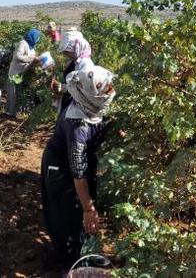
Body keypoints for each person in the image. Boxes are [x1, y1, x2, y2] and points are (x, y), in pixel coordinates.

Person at [41, 65, 116, 274]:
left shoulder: (89, 102)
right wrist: (87, 209)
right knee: (69, 216)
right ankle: (71, 265)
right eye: (105, 90)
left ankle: (87, 254)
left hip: (79, 165)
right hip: (61, 168)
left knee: (83, 211)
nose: (109, 93)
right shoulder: (78, 127)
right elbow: (79, 173)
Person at [51, 27, 95, 112]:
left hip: (78, 111)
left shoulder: (86, 65)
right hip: (70, 106)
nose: (65, 54)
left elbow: (83, 89)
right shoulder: (74, 62)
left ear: (76, 49)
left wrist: (63, 87)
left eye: (67, 52)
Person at [5, 28, 42, 116]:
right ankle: (10, 113)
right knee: (12, 93)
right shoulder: (23, 43)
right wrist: (32, 58)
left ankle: (18, 111)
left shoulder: (31, 45)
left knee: (19, 92)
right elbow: (18, 56)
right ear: (32, 36)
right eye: (37, 37)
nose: (37, 39)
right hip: (15, 72)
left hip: (22, 72)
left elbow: (32, 56)